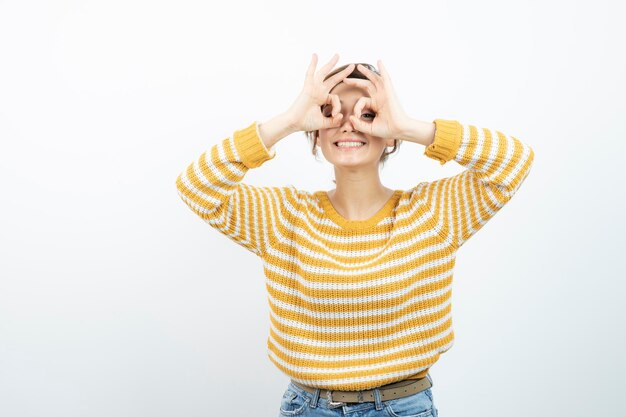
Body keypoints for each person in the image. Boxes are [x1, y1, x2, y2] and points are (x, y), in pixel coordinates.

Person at [175, 53, 535, 417]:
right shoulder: (283, 217)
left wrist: (410, 126)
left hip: (404, 407)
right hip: (308, 408)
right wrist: (288, 121)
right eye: (331, 112)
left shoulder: (432, 213)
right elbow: (196, 185)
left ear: (389, 136)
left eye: (367, 115)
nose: (348, 125)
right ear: (315, 134)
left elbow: (514, 161)